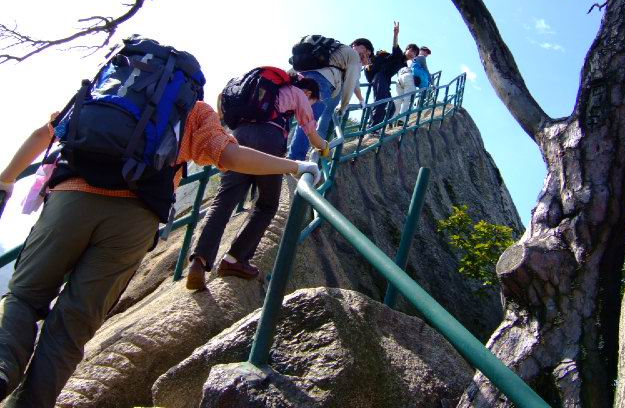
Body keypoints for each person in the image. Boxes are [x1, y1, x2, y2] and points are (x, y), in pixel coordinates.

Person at [0, 80, 320, 406]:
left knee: (24, 297)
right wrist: (296, 166)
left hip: (70, 199)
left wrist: (6, 179)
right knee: (73, 324)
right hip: (136, 218)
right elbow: (232, 156)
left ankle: (2, 367)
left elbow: (44, 135)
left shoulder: (108, 90)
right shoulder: (194, 110)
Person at [186, 75, 329, 288]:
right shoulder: (298, 94)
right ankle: (234, 259)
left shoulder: (265, 90)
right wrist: (325, 148)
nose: (311, 104)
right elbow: (312, 135)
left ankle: (199, 260)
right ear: (308, 93)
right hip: (269, 139)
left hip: (238, 139)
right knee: (267, 205)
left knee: (224, 201)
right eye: (313, 102)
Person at [287, 39, 363, 161]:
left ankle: (276, 152)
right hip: (321, 83)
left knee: (287, 113)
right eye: (367, 52)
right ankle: (295, 160)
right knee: (308, 119)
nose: (366, 56)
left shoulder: (332, 48)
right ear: (361, 47)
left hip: (301, 77)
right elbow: (351, 82)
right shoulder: (353, 55)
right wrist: (344, 107)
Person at [354, 22, 406, 135]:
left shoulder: (398, 63)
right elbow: (395, 48)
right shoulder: (383, 57)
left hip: (385, 81)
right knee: (381, 100)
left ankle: (376, 126)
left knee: (391, 108)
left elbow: (397, 52)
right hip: (379, 78)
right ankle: (373, 127)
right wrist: (395, 35)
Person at [395, 43, 420, 124]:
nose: (412, 54)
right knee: (408, 100)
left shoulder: (401, 59)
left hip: (399, 79)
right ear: (406, 50)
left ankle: (391, 119)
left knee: (398, 99)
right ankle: (401, 121)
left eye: (414, 53)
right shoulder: (412, 61)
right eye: (411, 51)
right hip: (408, 77)